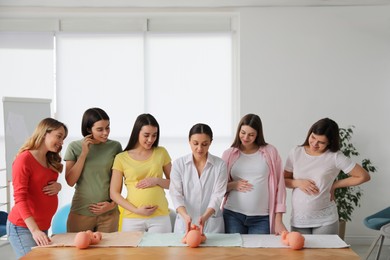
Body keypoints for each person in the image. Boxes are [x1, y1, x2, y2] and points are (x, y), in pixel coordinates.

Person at [284, 117, 371, 234]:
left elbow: (363, 176)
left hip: (325, 220)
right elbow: (284, 180)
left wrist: (335, 185)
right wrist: (298, 183)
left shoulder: (335, 156)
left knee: (324, 253)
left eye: (321, 142)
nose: (314, 144)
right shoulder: (296, 152)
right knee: (299, 252)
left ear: (330, 142)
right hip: (299, 219)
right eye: (313, 137)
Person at [7, 118, 67, 258]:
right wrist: (34, 230)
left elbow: (42, 185)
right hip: (23, 227)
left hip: (42, 226)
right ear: (44, 133)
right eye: (59, 136)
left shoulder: (49, 158)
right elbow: (19, 198)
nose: (62, 142)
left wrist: (58, 186)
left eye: (63, 138)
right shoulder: (24, 160)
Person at [222, 114, 287, 235]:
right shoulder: (229, 154)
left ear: (258, 134)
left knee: (259, 254)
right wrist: (233, 185)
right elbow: (218, 187)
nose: (246, 137)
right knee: (233, 253)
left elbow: (280, 186)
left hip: (262, 218)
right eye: (243, 132)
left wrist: (278, 219)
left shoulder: (270, 152)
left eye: (251, 134)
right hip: (232, 215)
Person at [110, 113, 172, 233]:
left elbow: (175, 184)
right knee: (132, 252)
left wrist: (157, 180)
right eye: (146, 135)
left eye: (154, 135)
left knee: (159, 251)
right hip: (133, 217)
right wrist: (136, 210)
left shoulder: (161, 152)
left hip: (159, 216)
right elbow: (114, 193)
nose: (150, 140)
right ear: (137, 132)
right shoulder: (121, 158)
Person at [64, 108, 122, 232]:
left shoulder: (115, 147)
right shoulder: (74, 147)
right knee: (78, 250)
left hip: (109, 213)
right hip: (81, 212)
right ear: (88, 129)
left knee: (107, 251)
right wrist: (84, 154)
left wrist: (112, 205)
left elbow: (117, 179)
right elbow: (70, 180)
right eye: (100, 129)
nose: (106, 132)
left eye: (108, 127)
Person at [169, 123, 228, 233]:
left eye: (204, 144)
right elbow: (176, 194)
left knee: (213, 250)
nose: (199, 148)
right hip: (184, 223)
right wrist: (185, 216)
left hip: (211, 223)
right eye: (195, 143)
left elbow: (218, 195)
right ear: (189, 141)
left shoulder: (220, 165)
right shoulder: (179, 164)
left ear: (211, 142)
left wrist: (205, 217)